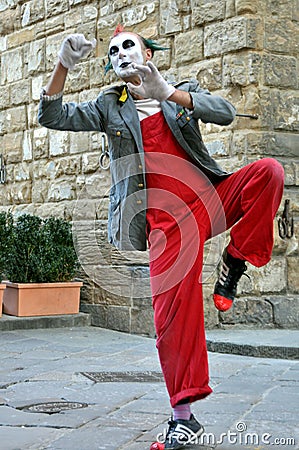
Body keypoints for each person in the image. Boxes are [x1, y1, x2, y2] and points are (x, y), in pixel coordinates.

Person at [38, 27, 284, 449]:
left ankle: (236, 259)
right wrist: (63, 64)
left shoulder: (180, 92)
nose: (120, 54)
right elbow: (52, 116)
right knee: (172, 316)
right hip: (166, 227)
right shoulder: (109, 107)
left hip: (209, 200)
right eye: (113, 51)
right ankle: (184, 417)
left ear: (149, 53)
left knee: (269, 173)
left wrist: (169, 92)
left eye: (128, 45)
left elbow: (224, 111)